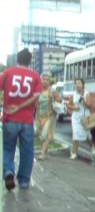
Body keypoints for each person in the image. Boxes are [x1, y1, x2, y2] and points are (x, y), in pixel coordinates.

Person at [0, 48, 42, 190]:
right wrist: (21, 107)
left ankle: (8, 171)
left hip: (9, 118)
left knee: (8, 148)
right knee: (27, 151)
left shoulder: (7, 73)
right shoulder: (35, 76)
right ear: (30, 61)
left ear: (17, 59)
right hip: (27, 120)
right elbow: (36, 96)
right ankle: (24, 181)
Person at [67, 78, 95, 160]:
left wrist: (83, 100)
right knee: (75, 135)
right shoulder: (73, 94)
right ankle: (74, 153)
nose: (77, 85)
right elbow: (69, 105)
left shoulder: (87, 94)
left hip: (85, 117)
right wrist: (74, 107)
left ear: (83, 84)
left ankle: (92, 146)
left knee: (88, 136)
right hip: (75, 117)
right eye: (76, 83)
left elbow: (89, 106)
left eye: (79, 83)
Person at [36, 73, 57, 160]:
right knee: (41, 136)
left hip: (49, 116)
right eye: (43, 79)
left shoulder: (52, 91)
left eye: (47, 79)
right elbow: (36, 104)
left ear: (49, 81)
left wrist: (54, 97)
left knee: (46, 135)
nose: (45, 81)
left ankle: (42, 153)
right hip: (39, 116)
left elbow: (59, 100)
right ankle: (44, 150)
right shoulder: (38, 91)